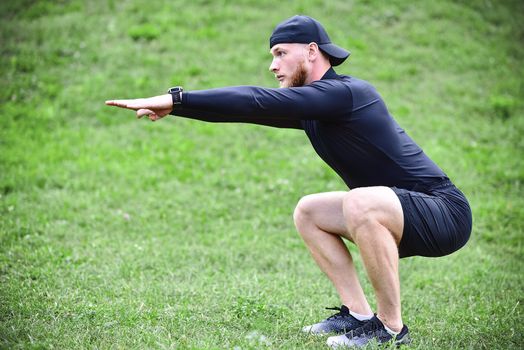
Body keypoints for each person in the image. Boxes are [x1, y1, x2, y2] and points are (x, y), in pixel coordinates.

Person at [105, 15, 472, 348]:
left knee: (360, 200)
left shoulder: (346, 94)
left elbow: (256, 100)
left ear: (312, 52)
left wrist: (176, 96)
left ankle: (391, 329)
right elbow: (245, 109)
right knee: (310, 211)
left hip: (443, 210)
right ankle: (357, 315)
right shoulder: (314, 108)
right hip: (398, 207)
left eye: (281, 53)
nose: (273, 65)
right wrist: (177, 108)